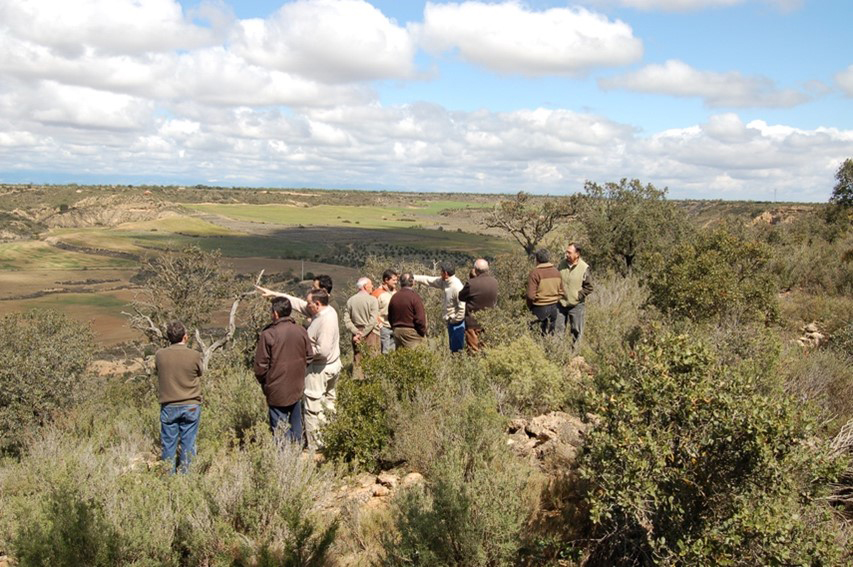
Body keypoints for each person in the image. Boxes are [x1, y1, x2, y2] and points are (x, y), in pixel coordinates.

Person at [255, 285, 341, 451]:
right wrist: (275, 294)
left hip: (321, 369)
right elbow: (297, 304)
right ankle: (322, 438)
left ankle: (316, 446)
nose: (305, 305)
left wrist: (300, 353)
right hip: (321, 370)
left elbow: (322, 351)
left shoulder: (325, 320)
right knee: (327, 404)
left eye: (309, 302)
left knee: (313, 408)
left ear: (316, 304)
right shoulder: (319, 315)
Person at [254, 297, 314, 444]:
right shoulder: (300, 330)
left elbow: (260, 366)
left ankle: (284, 458)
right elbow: (309, 356)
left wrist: (265, 382)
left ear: (275, 313)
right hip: (297, 386)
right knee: (296, 422)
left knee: (280, 429)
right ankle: (298, 451)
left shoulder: (268, 334)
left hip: (276, 388)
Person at [155, 321, 204, 473]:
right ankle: (185, 480)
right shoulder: (194, 355)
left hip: (169, 406)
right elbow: (200, 372)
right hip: (190, 404)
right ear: (185, 337)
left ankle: (168, 480)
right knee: (188, 444)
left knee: (168, 445)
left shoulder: (160, 355)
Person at [414, 263, 466, 352]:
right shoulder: (445, 282)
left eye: (441, 272)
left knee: (457, 350)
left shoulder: (457, 287)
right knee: (453, 348)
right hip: (451, 322)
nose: (440, 274)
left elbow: (462, 307)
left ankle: (458, 364)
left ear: (445, 273)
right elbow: (429, 280)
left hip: (457, 324)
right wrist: (414, 277)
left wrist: (455, 320)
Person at [557, 243, 593, 350]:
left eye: (569, 252)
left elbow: (589, 287)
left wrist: (578, 296)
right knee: (558, 330)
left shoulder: (584, 267)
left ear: (577, 254)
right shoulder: (562, 264)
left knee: (576, 331)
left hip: (576, 305)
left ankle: (574, 354)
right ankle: (557, 353)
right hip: (561, 304)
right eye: (566, 252)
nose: (566, 254)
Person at [458, 258, 498, 354]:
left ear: (475, 270)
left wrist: (472, 278)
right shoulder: (494, 282)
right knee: (486, 349)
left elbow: (461, 297)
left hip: (472, 322)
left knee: (473, 351)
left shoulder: (471, 283)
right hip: (488, 321)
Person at [344, 277, 380, 378]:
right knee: (372, 359)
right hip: (371, 333)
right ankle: (372, 384)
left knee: (357, 358)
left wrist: (356, 332)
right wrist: (363, 333)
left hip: (356, 334)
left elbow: (347, 320)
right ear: (365, 286)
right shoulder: (373, 300)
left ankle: (357, 383)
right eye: (371, 284)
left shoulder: (350, 300)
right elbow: (373, 320)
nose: (372, 286)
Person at [526, 249, 563, 335]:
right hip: (554, 308)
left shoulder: (535, 273)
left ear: (537, 260)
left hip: (539, 308)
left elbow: (530, 296)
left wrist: (530, 307)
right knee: (550, 335)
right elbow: (561, 292)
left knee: (537, 335)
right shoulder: (557, 272)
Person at [388, 272, 427, 348]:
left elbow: (390, 316)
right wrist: (422, 332)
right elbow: (420, 319)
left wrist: (395, 328)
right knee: (415, 357)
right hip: (411, 333)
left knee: (401, 357)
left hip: (397, 331)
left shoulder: (394, 297)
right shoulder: (414, 297)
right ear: (413, 282)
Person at [372, 269, 398, 354]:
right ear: (386, 280)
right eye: (393, 280)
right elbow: (372, 310)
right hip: (384, 327)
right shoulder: (377, 293)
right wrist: (379, 325)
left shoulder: (395, 292)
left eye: (396, 280)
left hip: (394, 327)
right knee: (385, 352)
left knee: (393, 352)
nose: (396, 282)